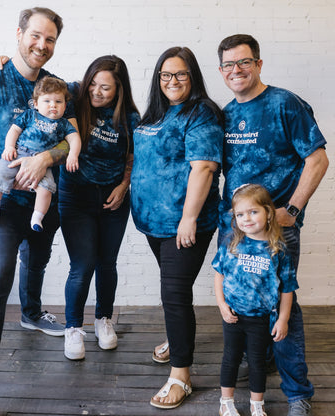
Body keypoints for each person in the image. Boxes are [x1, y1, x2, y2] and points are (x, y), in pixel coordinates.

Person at [0, 7, 75, 415]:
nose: (43, 45)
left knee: (37, 258)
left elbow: (72, 139)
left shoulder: (53, 87)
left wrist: (47, 159)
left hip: (44, 198)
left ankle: (32, 313)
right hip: (1, 204)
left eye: (51, 39)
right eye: (36, 35)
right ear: (18, 33)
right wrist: (10, 179)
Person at [217, 34, 328, 416]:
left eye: (244, 62)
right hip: (234, 230)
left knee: (284, 305)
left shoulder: (285, 104)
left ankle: (298, 394)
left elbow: (317, 159)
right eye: (229, 65)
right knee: (242, 297)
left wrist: (292, 211)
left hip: (276, 229)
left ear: (259, 64)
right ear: (221, 71)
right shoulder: (226, 113)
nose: (237, 70)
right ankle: (260, 360)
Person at [131, 46, 224, 409]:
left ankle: (180, 376)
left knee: (174, 294)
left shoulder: (201, 113)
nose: (173, 81)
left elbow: (204, 168)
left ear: (193, 77)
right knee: (171, 290)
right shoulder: (155, 114)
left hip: (185, 224)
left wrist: (188, 218)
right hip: (152, 223)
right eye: (166, 75)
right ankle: (177, 338)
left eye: (181, 74)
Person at [59, 55, 140, 360]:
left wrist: (124, 186)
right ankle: (73, 327)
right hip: (75, 196)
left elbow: (132, 158)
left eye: (105, 87)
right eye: (93, 83)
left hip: (113, 199)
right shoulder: (72, 99)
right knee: (83, 265)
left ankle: (103, 320)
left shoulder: (130, 118)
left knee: (107, 263)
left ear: (119, 89)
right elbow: (39, 86)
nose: (96, 91)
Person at [213, 184, 298, 416]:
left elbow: (288, 288)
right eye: (240, 214)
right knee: (230, 358)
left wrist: (283, 319)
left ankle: (256, 405)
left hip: (261, 317)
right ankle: (226, 402)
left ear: (268, 213)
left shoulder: (278, 250)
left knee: (258, 362)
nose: (246, 219)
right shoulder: (231, 244)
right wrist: (221, 305)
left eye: (253, 212)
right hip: (233, 315)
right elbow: (218, 275)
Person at [0, 76, 81, 231]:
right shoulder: (30, 115)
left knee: (47, 189)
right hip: (19, 153)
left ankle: (37, 218)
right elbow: (14, 130)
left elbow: (75, 138)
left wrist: (73, 155)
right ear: (36, 104)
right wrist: (9, 147)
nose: (53, 106)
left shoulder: (63, 124)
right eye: (47, 101)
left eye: (58, 102)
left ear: (65, 106)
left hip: (42, 162)